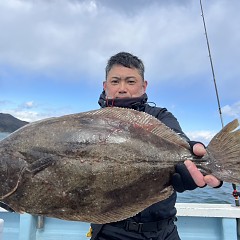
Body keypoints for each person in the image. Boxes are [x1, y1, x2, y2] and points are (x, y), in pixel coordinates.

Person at [89, 52, 222, 240]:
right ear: (105, 85)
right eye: (115, 81)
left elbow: (180, 142)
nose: (122, 88)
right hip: (110, 230)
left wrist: (200, 161)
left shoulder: (160, 117)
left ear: (144, 86)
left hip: (164, 231)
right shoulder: (91, 124)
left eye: (131, 81)